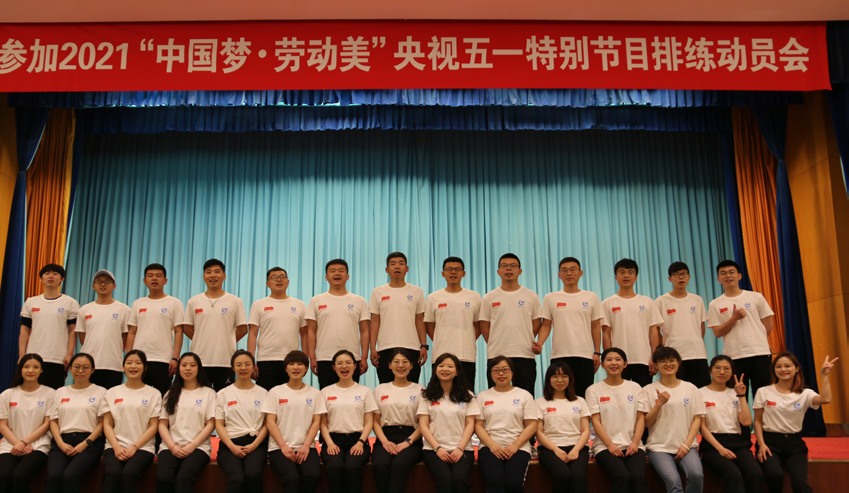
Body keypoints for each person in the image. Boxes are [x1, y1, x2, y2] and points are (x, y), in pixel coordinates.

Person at [754, 352, 838, 493]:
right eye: (778, 366)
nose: (783, 369)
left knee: (800, 483)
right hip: (769, 442)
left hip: (794, 444)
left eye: (787, 366)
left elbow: (825, 399)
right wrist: (761, 444)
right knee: (775, 475)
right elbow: (757, 420)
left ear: (796, 368)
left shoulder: (805, 393)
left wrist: (824, 375)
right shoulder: (763, 391)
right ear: (774, 370)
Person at [535, 257, 603, 397]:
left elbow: (596, 326)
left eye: (573, 270)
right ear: (559, 275)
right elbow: (546, 324)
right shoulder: (550, 297)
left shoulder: (591, 297)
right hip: (560, 355)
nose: (569, 273)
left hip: (584, 355)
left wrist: (597, 352)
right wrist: (539, 343)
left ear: (580, 273)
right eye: (564, 270)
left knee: (583, 396)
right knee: (560, 396)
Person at [707, 260, 775, 399]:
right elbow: (717, 332)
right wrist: (734, 318)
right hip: (734, 356)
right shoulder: (715, 304)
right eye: (723, 273)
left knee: (763, 396)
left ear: (739, 276)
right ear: (718, 279)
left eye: (731, 272)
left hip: (760, 353)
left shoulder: (756, 296)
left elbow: (769, 325)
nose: (728, 276)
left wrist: (757, 340)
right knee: (737, 398)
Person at [585, 347, 649, 493]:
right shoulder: (593, 390)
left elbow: (641, 418)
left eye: (618, 359)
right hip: (604, 447)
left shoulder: (635, 387)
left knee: (637, 478)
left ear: (625, 364)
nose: (614, 363)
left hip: (633, 445)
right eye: (609, 360)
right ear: (602, 365)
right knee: (622, 476)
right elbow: (595, 421)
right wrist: (610, 445)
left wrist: (635, 443)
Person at [643, 346, 705, 493]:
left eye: (671, 360)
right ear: (656, 365)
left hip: (687, 446)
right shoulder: (648, 390)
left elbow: (697, 418)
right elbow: (646, 422)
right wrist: (659, 404)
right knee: (674, 482)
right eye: (663, 361)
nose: (668, 364)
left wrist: (687, 444)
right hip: (659, 448)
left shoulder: (691, 388)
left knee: (696, 476)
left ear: (678, 363)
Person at [479, 253, 542, 396]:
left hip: (524, 354)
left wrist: (524, 338)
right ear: (498, 271)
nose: (509, 269)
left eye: (513, 266)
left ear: (520, 271)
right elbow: (484, 325)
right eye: (504, 266)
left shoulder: (531, 296)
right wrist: (496, 341)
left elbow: (536, 323)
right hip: (496, 354)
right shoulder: (489, 297)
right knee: (496, 396)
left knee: (525, 396)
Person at [100, 350, 162, 493]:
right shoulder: (112, 392)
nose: (133, 366)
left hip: (143, 448)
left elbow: (153, 426)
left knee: (129, 474)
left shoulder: (154, 394)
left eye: (138, 363)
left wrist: (134, 447)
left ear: (145, 368)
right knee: (112, 473)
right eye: (129, 363)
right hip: (114, 446)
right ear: (123, 367)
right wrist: (116, 447)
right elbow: (107, 424)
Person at [699, 355, 763, 493]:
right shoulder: (700, 393)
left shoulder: (735, 393)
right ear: (710, 370)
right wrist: (720, 449)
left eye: (726, 369)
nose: (722, 372)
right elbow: (702, 426)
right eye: (718, 368)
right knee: (733, 474)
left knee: (756, 474)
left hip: (738, 443)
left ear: (732, 372)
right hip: (713, 444)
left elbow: (746, 422)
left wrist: (741, 396)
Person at [264, 350, 326, 493]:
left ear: (306, 369)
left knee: (314, 476)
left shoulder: (314, 393)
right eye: (291, 364)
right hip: (279, 448)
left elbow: (316, 422)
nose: (296, 367)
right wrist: (283, 446)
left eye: (300, 364)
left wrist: (306, 446)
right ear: (286, 368)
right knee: (292, 478)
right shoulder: (275, 392)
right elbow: (270, 422)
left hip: (306, 447)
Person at [417, 353, 479, 493]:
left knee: (459, 480)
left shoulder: (467, 395)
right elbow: (423, 425)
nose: (445, 369)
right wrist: (438, 448)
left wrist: (460, 448)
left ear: (457, 371)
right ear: (435, 370)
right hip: (433, 449)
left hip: (463, 449)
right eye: (441, 366)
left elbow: (470, 424)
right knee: (444, 480)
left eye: (450, 366)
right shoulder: (426, 395)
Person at [474, 356, 538, 493]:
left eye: (505, 370)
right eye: (496, 370)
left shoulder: (524, 395)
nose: (501, 373)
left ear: (512, 372)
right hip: (490, 447)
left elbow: (532, 424)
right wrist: (492, 445)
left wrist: (515, 445)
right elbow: (478, 425)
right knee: (494, 482)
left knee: (513, 484)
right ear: (490, 374)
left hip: (518, 446)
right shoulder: (482, 396)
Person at [45, 353, 107, 493]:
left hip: (89, 442)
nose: (80, 371)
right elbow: (53, 421)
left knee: (70, 476)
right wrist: (60, 443)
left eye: (85, 367)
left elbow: (102, 423)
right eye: (76, 367)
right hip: (62, 441)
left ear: (92, 370)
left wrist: (85, 443)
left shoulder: (101, 392)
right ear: (70, 369)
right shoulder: (60, 392)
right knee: (54, 476)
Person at [183, 259, 248, 390]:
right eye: (208, 272)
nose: (213, 275)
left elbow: (242, 329)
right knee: (200, 398)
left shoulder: (235, 301)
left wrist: (227, 340)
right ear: (204, 277)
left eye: (217, 272)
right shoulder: (193, 301)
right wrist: (202, 339)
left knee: (224, 398)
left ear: (224, 276)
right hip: (200, 360)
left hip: (226, 360)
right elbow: (187, 328)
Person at [156, 352, 216, 493]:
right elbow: (162, 424)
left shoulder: (209, 393)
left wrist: (192, 446)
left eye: (192, 365)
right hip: (170, 446)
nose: (188, 368)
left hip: (199, 447)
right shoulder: (170, 394)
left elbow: (210, 424)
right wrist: (172, 447)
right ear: (179, 369)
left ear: (199, 368)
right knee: (163, 478)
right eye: (184, 365)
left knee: (184, 478)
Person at [319, 350, 377, 493]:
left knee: (352, 467)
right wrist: (330, 443)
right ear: (334, 367)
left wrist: (361, 442)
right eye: (339, 363)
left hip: (358, 441)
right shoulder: (325, 392)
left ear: (355, 366)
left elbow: (369, 421)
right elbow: (323, 423)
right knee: (334, 467)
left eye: (348, 363)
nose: (344, 366)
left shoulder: (365, 391)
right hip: (333, 441)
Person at [306, 259, 370, 389]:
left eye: (341, 271)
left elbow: (364, 331)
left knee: (351, 395)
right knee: (327, 396)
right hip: (325, 358)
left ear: (347, 276)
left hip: (352, 358)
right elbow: (311, 331)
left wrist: (364, 357)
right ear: (326, 277)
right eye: (332, 271)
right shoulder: (316, 300)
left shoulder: (359, 301)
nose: (337, 273)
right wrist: (312, 357)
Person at [601, 258, 662, 387]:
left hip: (643, 359)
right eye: (622, 272)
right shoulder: (607, 303)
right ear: (616, 277)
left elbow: (653, 332)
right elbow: (606, 333)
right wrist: (609, 358)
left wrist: (654, 357)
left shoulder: (647, 302)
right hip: (618, 361)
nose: (626, 275)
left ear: (636, 277)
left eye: (630, 272)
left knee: (643, 396)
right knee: (619, 396)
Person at [369, 252, 428, 384]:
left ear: (407, 269)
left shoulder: (417, 291)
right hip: (385, 347)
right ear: (387, 269)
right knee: (386, 387)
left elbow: (420, 320)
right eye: (393, 264)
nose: (397, 267)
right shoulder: (377, 292)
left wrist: (424, 345)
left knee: (411, 387)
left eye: (401, 264)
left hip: (411, 347)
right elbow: (375, 321)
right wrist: (373, 348)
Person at [215, 350, 269, 493]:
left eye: (247, 364)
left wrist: (254, 445)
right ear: (233, 368)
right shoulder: (223, 394)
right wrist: (232, 446)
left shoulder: (264, 393)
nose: (243, 368)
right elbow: (219, 425)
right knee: (236, 478)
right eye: (239, 365)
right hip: (230, 444)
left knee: (253, 474)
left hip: (255, 444)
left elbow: (266, 424)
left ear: (254, 367)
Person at [126, 263, 184, 395]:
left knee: (162, 398)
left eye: (158, 276)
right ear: (144, 280)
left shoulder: (174, 303)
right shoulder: (138, 303)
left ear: (165, 280)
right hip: (139, 360)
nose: (154, 278)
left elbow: (179, 332)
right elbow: (132, 332)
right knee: (137, 397)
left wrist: (175, 358)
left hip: (163, 360)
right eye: (150, 276)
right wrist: (129, 357)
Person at [372, 349, 424, 493]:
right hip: (385, 438)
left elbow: (423, 424)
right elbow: (375, 421)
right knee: (380, 465)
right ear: (389, 365)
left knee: (399, 465)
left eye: (405, 362)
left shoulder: (420, 390)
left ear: (411, 366)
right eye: (396, 362)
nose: (400, 365)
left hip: (411, 439)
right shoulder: (380, 389)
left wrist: (408, 442)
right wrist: (384, 442)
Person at [0, 354, 55, 493]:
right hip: (10, 445)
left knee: (19, 475)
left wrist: (24, 442)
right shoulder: (7, 394)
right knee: (4, 475)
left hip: (38, 445)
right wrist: (18, 443)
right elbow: (2, 425)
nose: (31, 370)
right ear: (20, 369)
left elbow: (47, 424)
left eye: (35, 367)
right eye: (26, 367)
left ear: (41, 370)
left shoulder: (50, 393)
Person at [19, 264, 80, 389]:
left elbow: (72, 331)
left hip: (57, 358)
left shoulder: (70, 303)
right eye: (47, 273)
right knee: (32, 393)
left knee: (53, 394)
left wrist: (70, 354)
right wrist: (22, 355)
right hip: (33, 357)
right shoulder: (31, 302)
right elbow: (24, 330)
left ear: (62, 279)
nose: (51, 276)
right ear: (41, 278)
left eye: (55, 274)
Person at [424, 257, 481, 386]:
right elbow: (429, 326)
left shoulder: (474, 297)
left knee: (466, 394)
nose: (453, 272)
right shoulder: (433, 298)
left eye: (457, 269)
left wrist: (467, 338)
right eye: (449, 269)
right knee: (439, 394)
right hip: (440, 355)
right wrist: (441, 339)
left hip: (466, 354)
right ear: (443, 274)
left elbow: (478, 326)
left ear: (463, 273)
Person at [248, 267, 307, 390]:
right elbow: (252, 334)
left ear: (288, 281)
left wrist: (305, 360)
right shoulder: (258, 305)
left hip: (292, 360)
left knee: (291, 396)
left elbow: (304, 334)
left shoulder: (299, 305)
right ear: (267, 283)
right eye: (274, 277)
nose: (279, 280)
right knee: (267, 397)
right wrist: (251, 361)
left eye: (282, 277)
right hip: (266, 359)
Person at [535, 361, 591, 493]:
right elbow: (539, 432)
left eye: (564, 376)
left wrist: (576, 450)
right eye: (555, 376)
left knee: (578, 477)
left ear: (570, 379)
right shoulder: (540, 402)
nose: (560, 380)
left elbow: (585, 430)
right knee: (562, 475)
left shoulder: (580, 401)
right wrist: (556, 450)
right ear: (548, 380)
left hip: (577, 447)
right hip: (550, 448)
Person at [654, 262, 709, 388]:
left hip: (698, 353)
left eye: (684, 274)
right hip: (673, 356)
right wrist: (663, 348)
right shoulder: (661, 301)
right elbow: (655, 329)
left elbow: (701, 325)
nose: (681, 277)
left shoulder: (697, 299)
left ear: (689, 277)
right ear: (670, 278)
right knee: (676, 391)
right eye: (676, 275)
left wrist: (695, 341)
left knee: (700, 391)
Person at [76, 269, 132, 389]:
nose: (102, 284)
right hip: (88, 365)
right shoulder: (84, 310)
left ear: (114, 286)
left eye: (107, 281)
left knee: (110, 399)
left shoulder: (124, 309)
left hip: (113, 365)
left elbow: (126, 337)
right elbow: (83, 338)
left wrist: (114, 349)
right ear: (93, 286)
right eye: (99, 281)